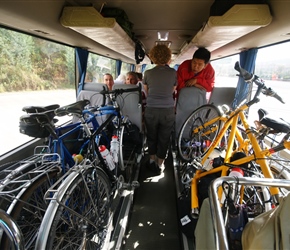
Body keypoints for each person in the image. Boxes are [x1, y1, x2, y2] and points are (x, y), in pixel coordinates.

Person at [143, 44, 177, 173]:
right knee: (164, 138)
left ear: (153, 57)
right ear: (168, 57)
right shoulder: (173, 72)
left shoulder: (148, 73)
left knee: (151, 136)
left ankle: (151, 161)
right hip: (167, 110)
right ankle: (160, 164)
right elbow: (172, 90)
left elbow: (147, 92)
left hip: (151, 109)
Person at [175, 47, 215, 136]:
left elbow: (209, 88)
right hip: (182, 101)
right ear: (191, 60)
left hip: (198, 104)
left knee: (196, 124)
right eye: (194, 63)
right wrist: (195, 85)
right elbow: (178, 84)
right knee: (180, 122)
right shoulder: (184, 66)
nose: (195, 67)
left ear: (206, 65)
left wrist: (197, 81)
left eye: (200, 64)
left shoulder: (210, 71)